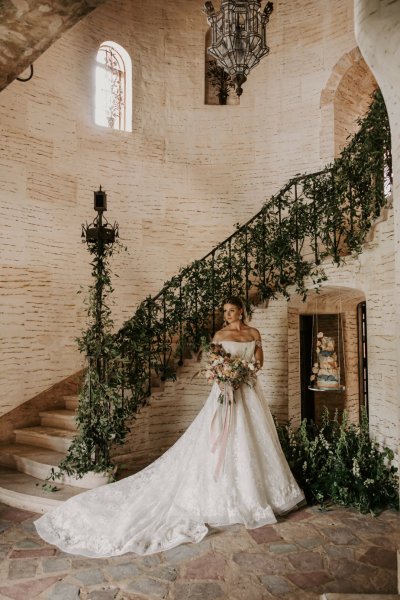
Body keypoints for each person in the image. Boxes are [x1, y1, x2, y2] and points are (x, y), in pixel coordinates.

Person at [35, 296, 305, 557]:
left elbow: (260, 363)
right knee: (222, 438)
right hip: (224, 392)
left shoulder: (254, 333)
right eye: (225, 312)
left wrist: (244, 371)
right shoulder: (219, 336)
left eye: (231, 311)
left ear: (241, 312)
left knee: (252, 438)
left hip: (247, 391)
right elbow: (213, 363)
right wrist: (224, 376)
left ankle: (254, 495)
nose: (227, 316)